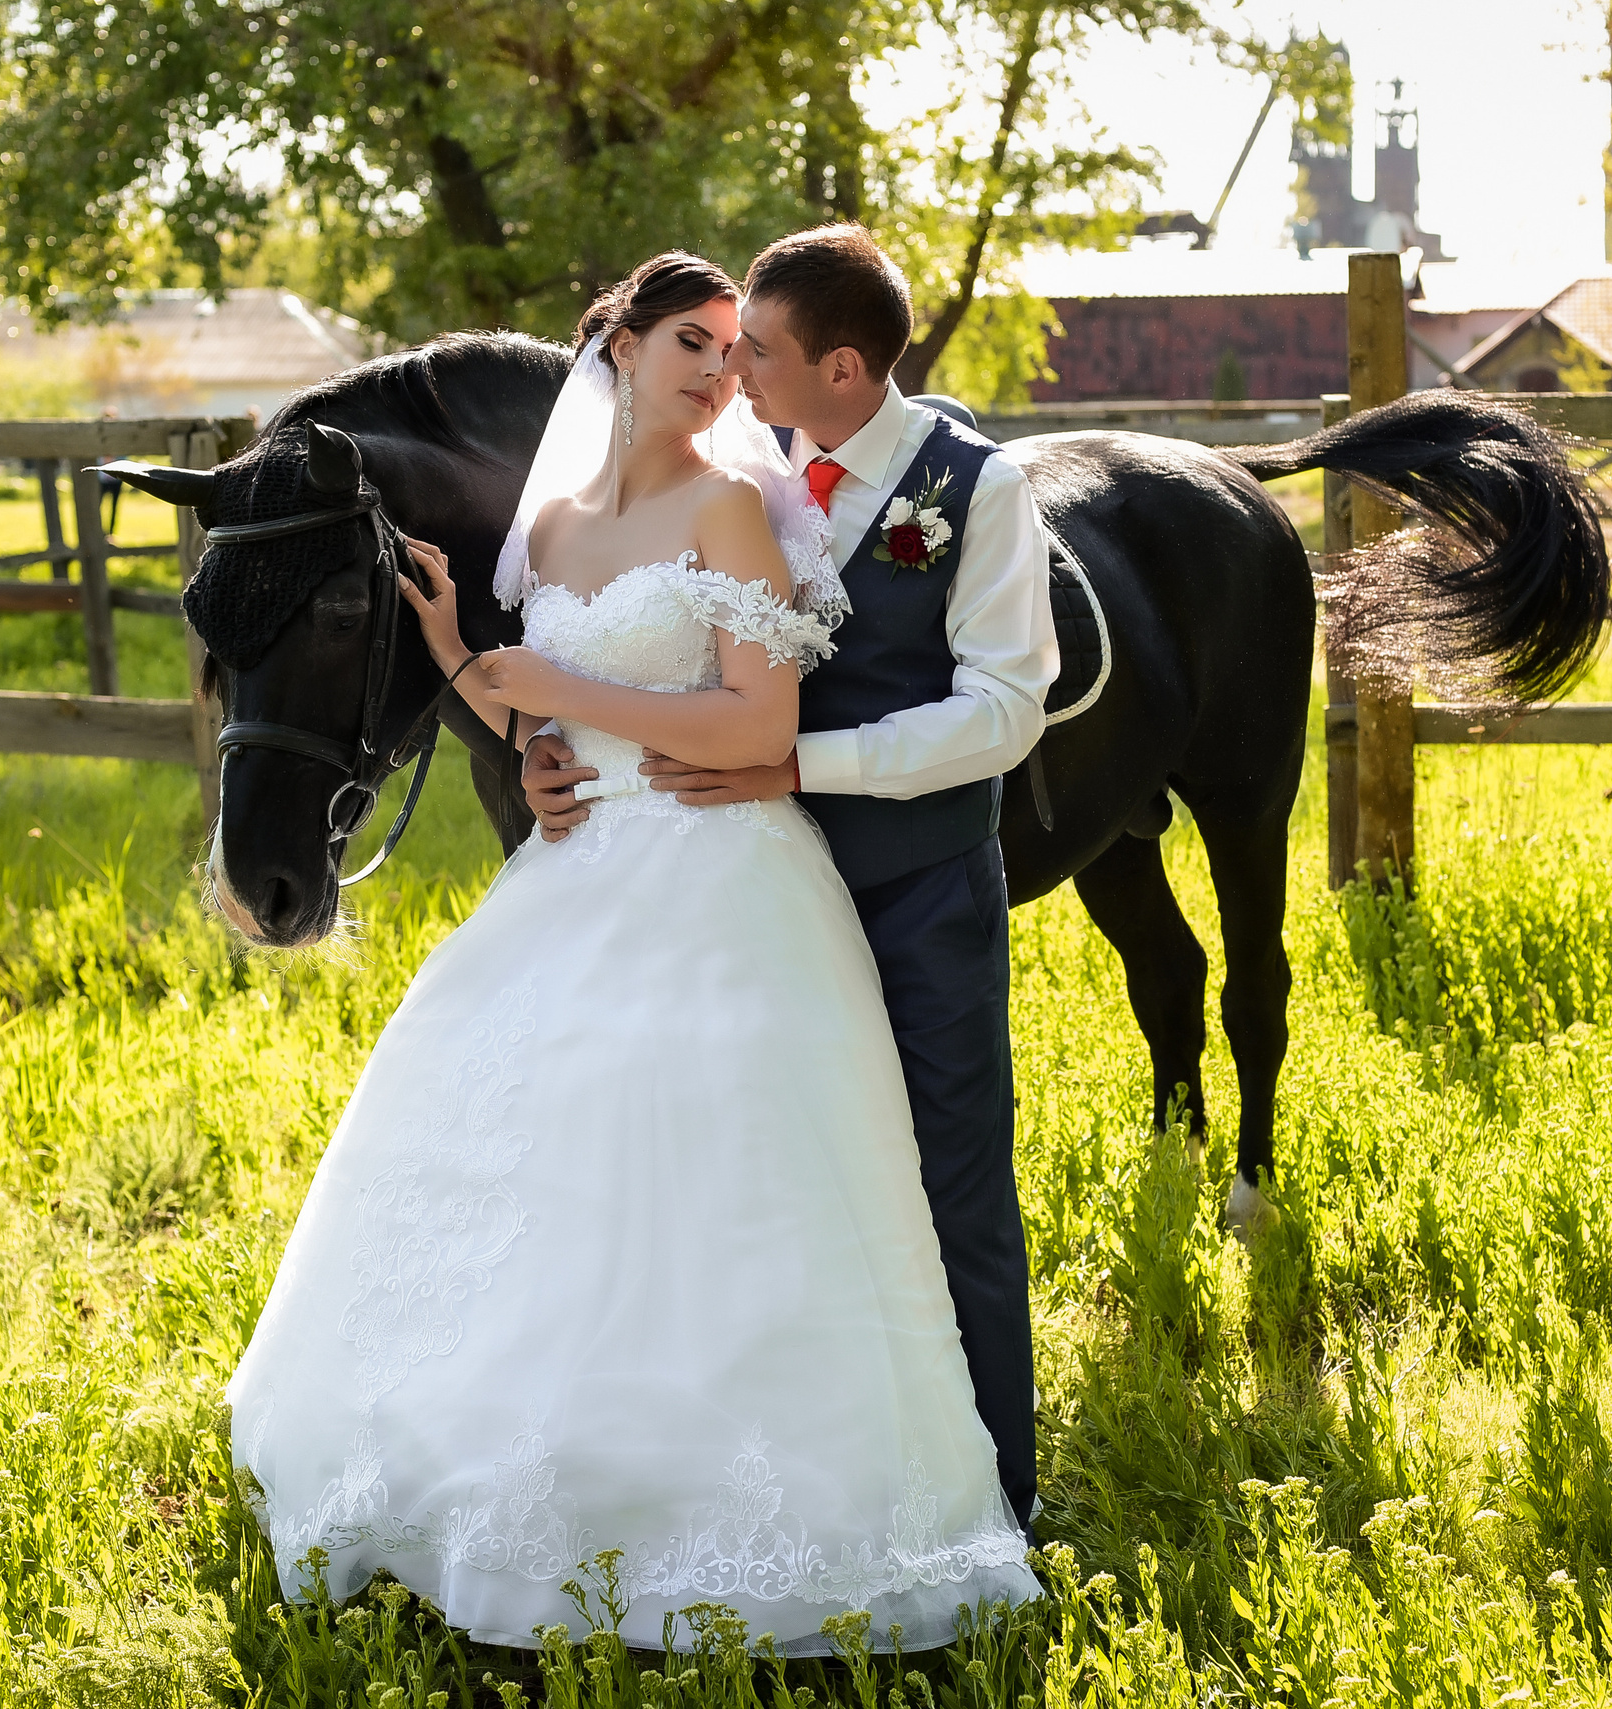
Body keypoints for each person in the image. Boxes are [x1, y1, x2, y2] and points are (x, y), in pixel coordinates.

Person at [223, 251, 1041, 1655]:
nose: (724, 372)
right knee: (542, 1180)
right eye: (697, 344)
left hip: (725, 872)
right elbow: (541, 711)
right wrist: (488, 684)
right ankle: (517, 1464)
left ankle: (937, 1485)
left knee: (750, 1188)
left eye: (738, 348)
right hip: (579, 871)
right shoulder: (546, 525)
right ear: (617, 348)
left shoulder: (736, 505)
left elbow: (755, 724)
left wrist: (557, 687)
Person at [522, 226, 1057, 1538]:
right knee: (767, 1182)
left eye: (754, 349)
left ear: (843, 368)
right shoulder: (740, 468)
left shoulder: (975, 489)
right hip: (741, 895)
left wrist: (801, 765)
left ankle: (998, 1489)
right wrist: (549, 746)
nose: (732, 372)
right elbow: (635, 632)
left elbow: (1003, 713)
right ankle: (784, 1469)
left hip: (914, 887)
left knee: (951, 1179)